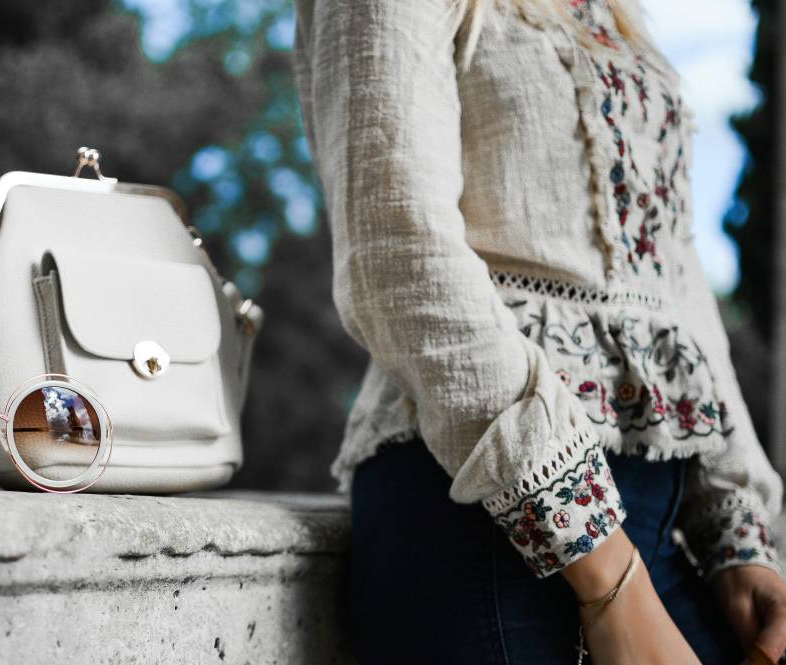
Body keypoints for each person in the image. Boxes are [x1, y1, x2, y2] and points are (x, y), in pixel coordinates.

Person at [291, 0, 786, 662]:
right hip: (491, 526)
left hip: (653, 539)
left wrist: (736, 538)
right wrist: (609, 578)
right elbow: (396, 248)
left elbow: (673, 280)